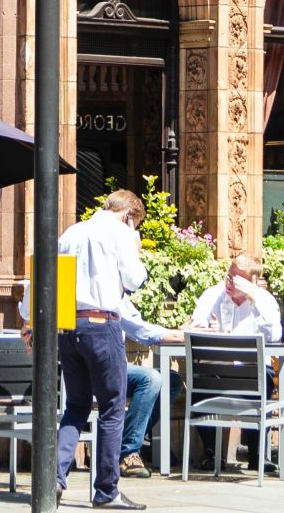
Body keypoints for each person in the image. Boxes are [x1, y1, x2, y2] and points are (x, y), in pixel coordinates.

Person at [55, 188, 149, 511]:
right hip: (101, 324)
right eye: (135, 225)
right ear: (128, 217)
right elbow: (135, 280)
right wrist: (134, 247)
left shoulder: (71, 232)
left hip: (68, 328)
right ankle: (106, 491)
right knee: (112, 407)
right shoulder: (120, 233)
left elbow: (54, 281)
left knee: (76, 405)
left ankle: (54, 477)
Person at [187, 252, 283, 473]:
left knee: (263, 379)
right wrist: (200, 329)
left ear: (253, 281)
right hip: (216, 372)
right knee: (200, 381)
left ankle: (257, 455)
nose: (229, 282)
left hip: (252, 375)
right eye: (229, 276)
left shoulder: (264, 300)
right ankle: (211, 454)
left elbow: (275, 335)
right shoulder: (213, 295)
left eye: (237, 279)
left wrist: (255, 298)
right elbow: (195, 326)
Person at [118, 293, 183, 478]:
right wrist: (181, 335)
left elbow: (137, 321)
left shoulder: (119, 294)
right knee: (151, 379)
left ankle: (121, 441)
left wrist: (179, 332)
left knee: (172, 381)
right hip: (100, 369)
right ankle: (128, 452)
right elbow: (139, 330)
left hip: (117, 367)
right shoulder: (106, 292)